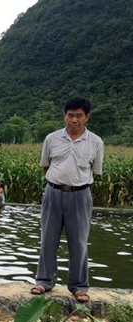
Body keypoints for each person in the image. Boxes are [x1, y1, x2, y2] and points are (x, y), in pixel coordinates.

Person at [31, 97, 104, 303]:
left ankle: (79, 286)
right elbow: (45, 166)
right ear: (64, 116)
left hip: (80, 195)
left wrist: (75, 184)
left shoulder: (96, 142)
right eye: (70, 115)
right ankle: (44, 281)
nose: (74, 120)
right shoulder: (52, 138)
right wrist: (58, 184)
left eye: (79, 116)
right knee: (48, 239)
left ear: (86, 118)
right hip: (53, 193)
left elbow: (95, 171)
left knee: (79, 242)